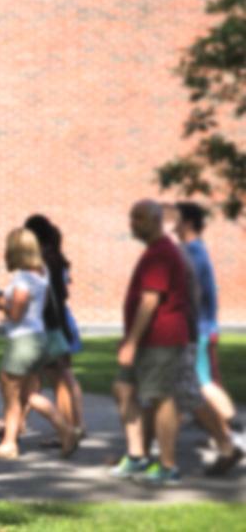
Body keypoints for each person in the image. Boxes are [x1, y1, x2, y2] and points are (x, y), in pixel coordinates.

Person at [110, 200, 190, 485]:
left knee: (161, 397)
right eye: (132, 217)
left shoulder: (161, 253)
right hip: (146, 339)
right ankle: (136, 456)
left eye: (139, 217)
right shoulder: (153, 252)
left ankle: (168, 466)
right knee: (123, 388)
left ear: (157, 220)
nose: (133, 223)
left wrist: (130, 342)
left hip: (160, 339)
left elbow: (150, 300)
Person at [0, 228, 78, 459]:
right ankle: (65, 430)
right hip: (39, 338)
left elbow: (16, 312)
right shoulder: (42, 273)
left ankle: (10, 444)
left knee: (10, 392)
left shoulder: (23, 278)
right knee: (27, 394)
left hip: (23, 341)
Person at [172, 202, 242, 475]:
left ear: (188, 223)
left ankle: (234, 434)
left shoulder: (194, 252)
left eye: (177, 220)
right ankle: (225, 434)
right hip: (201, 327)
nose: (173, 226)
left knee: (202, 384)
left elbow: (194, 295)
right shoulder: (195, 250)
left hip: (198, 329)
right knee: (203, 383)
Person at [24, 215, 87, 445]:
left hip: (52, 323)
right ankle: (77, 425)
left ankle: (67, 430)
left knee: (58, 378)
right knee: (66, 376)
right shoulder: (58, 258)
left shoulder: (44, 261)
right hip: (63, 319)